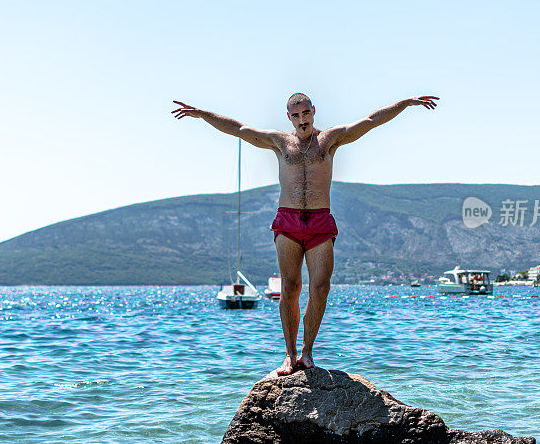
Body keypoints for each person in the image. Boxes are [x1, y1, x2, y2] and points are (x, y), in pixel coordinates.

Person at [172, 92, 438, 375]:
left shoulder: (330, 140)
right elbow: (238, 129)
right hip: (287, 220)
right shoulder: (280, 142)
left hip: (320, 220)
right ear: (289, 117)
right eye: (296, 115)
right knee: (290, 286)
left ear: (314, 111)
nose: (302, 120)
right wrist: (202, 114)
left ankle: (307, 352)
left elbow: (370, 121)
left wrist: (406, 103)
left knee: (321, 287)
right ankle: (289, 355)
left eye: (306, 113)